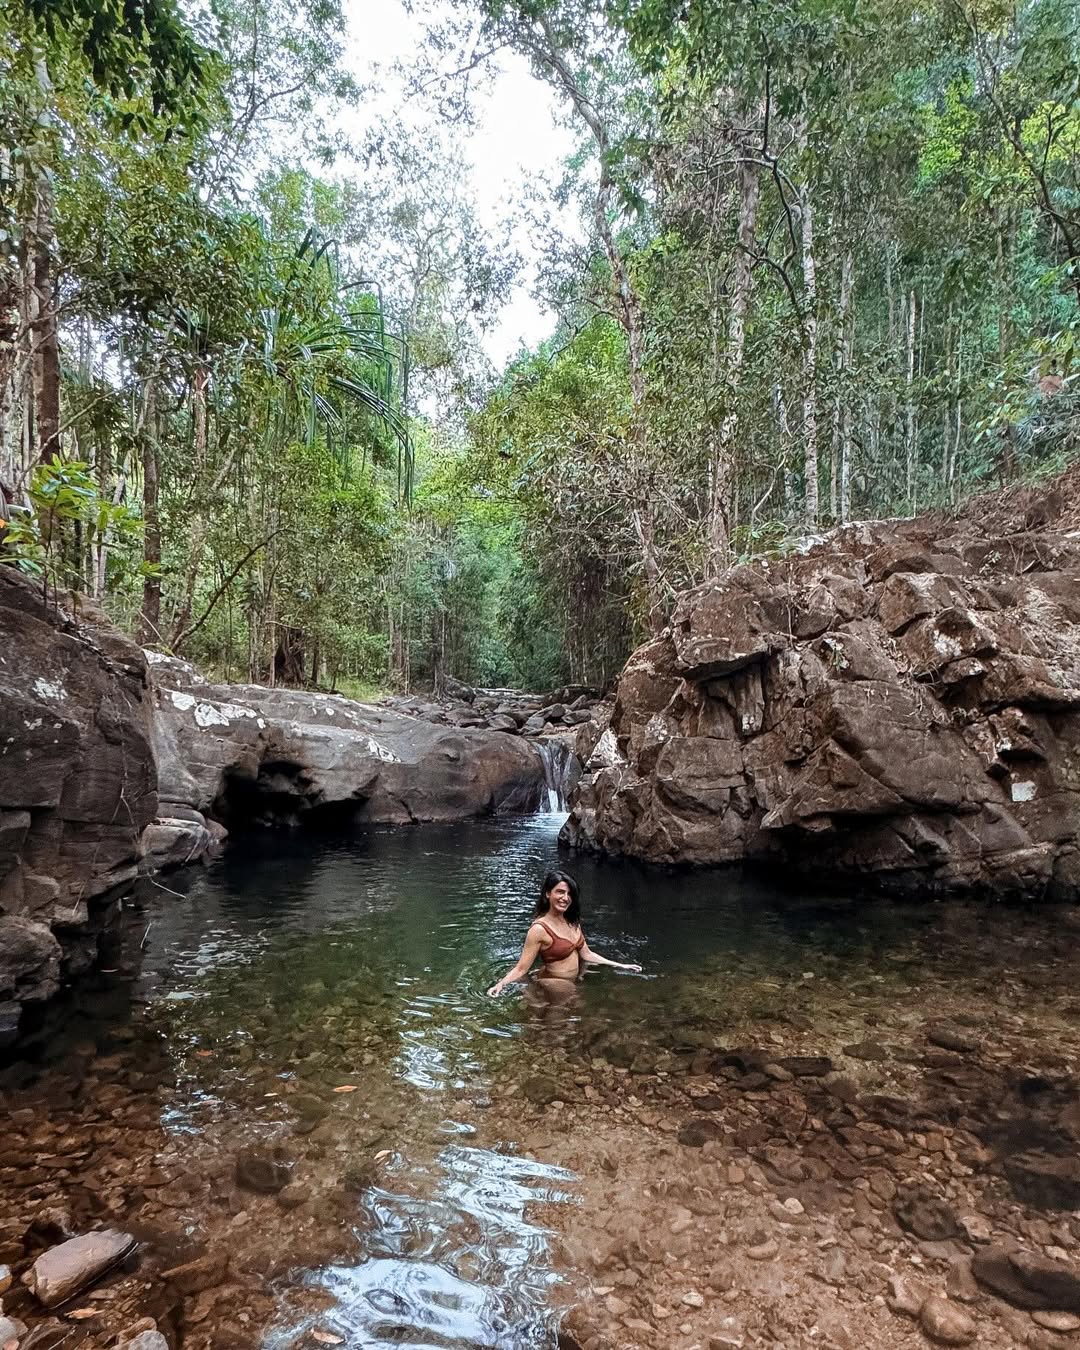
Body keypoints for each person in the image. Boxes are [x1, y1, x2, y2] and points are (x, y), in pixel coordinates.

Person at [487, 869, 641, 997]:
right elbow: (521, 968)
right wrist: (500, 984)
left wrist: (621, 966)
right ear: (548, 894)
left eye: (569, 894)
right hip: (554, 982)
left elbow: (587, 954)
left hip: (570, 981)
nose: (565, 898)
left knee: (569, 1015)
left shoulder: (572, 922)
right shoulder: (539, 929)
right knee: (563, 1021)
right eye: (560, 892)